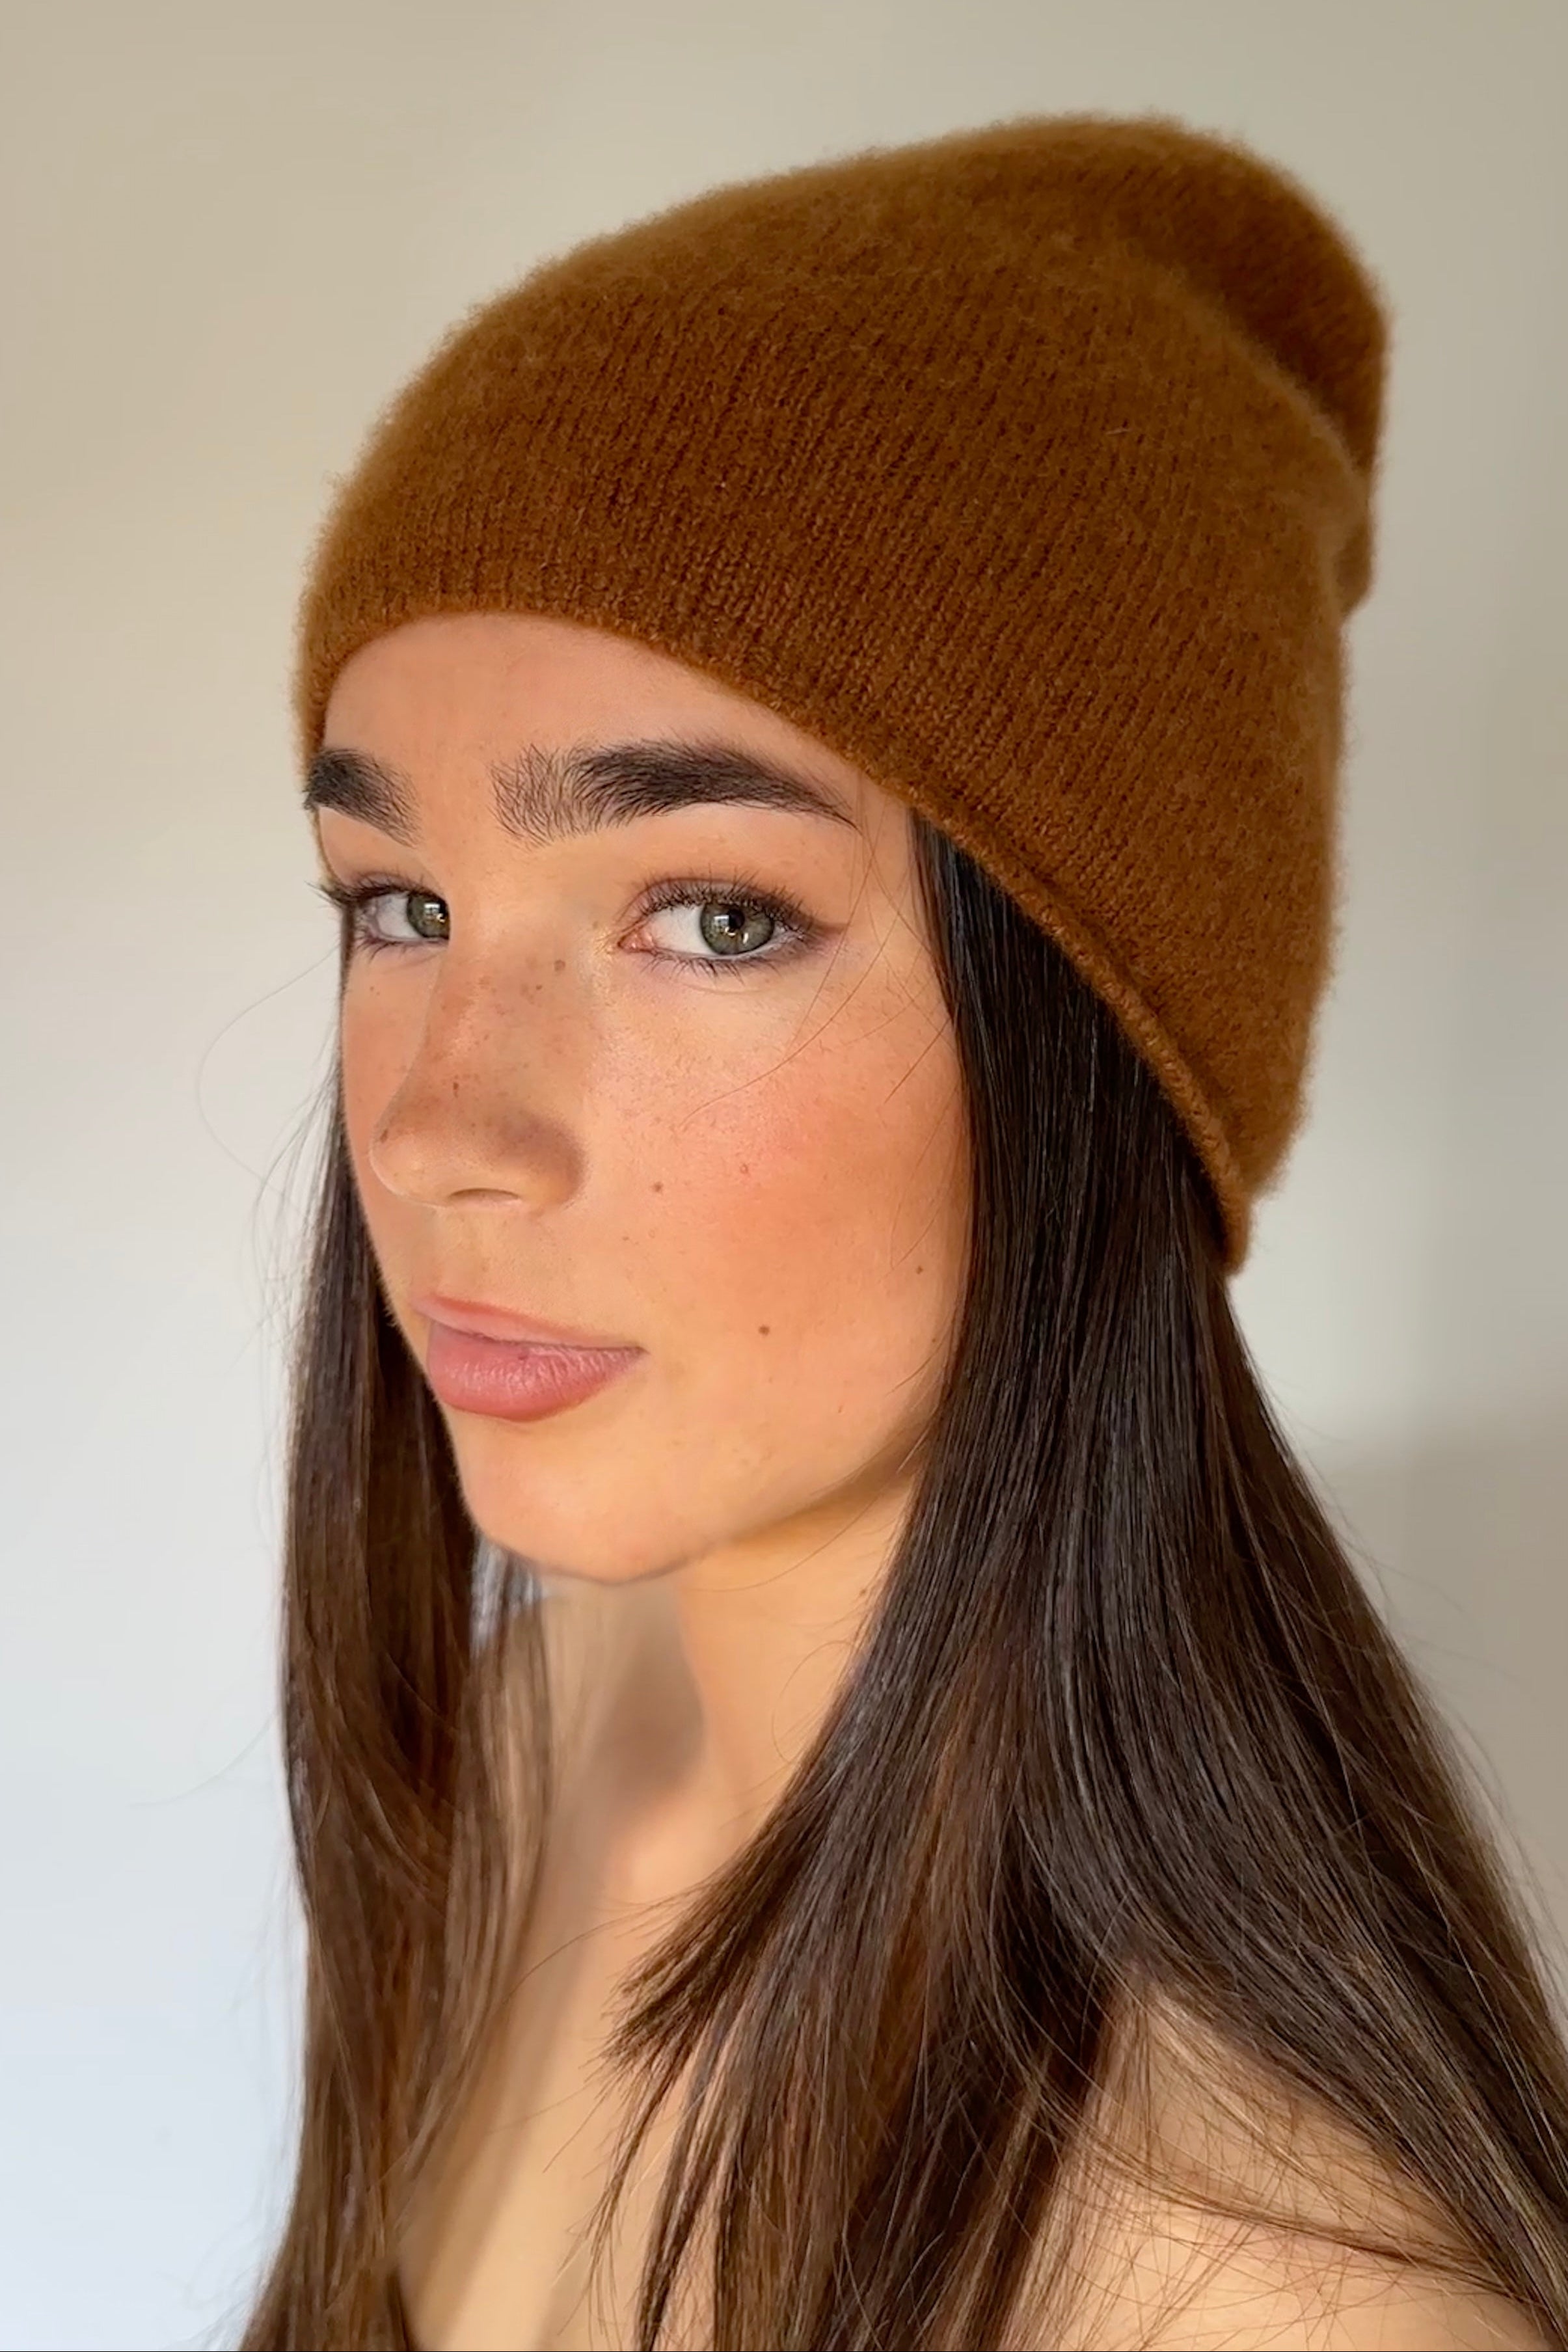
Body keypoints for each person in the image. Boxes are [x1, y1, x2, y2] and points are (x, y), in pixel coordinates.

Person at [241, 112, 1568, 2350]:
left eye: (715, 913)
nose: (449, 1125)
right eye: (401, 904)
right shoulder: (533, 1736)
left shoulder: (1263, 2299)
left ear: (1096, 1049)